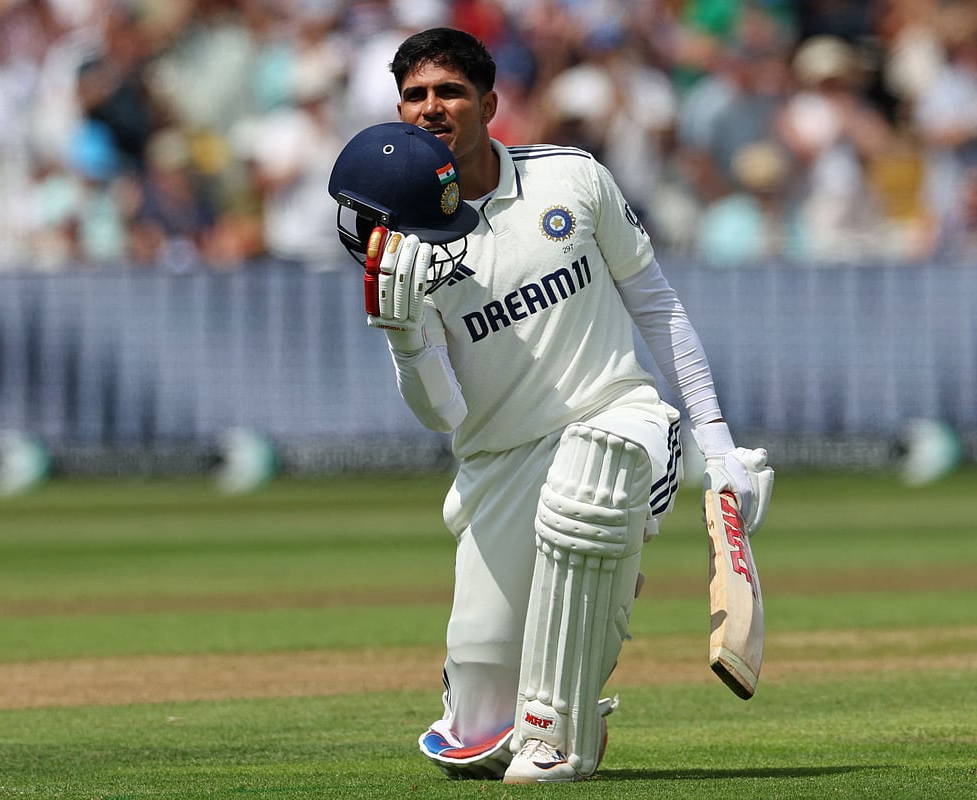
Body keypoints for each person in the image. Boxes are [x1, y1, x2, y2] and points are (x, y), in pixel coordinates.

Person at [327, 27, 774, 784]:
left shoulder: (571, 178)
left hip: (616, 418)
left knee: (586, 487)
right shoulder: (396, 237)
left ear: (490, 103)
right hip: (496, 457)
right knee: (477, 721)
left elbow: (658, 306)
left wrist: (719, 441)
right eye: (416, 96)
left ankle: (561, 734)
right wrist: (406, 339)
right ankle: (520, 690)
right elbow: (441, 413)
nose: (432, 108)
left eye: (450, 92)